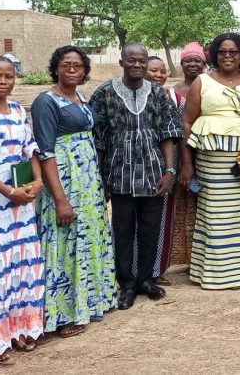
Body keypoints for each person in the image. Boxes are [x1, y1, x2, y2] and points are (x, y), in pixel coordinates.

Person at [32, 47, 116, 339]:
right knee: (66, 243)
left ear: (84, 71)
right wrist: (60, 199)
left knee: (88, 238)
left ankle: (91, 301)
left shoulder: (80, 98)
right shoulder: (46, 101)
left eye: (78, 66)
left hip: (87, 181)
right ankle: (64, 314)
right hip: (65, 182)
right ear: (55, 68)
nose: (72, 70)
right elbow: (44, 151)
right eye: (66, 65)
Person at [90, 43, 181, 310]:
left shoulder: (158, 94)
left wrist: (169, 170)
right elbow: (99, 139)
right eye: (132, 61)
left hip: (153, 172)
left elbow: (167, 134)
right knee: (123, 230)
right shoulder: (105, 93)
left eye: (142, 61)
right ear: (122, 62)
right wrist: (101, 175)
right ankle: (126, 284)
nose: (138, 66)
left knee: (151, 229)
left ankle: (145, 280)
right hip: (119, 174)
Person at [179, 34, 240, 290]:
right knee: (213, 215)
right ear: (214, 55)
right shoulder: (202, 82)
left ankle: (239, 275)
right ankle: (212, 274)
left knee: (239, 216)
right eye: (222, 52)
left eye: (233, 52)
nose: (227, 56)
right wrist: (187, 164)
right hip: (210, 162)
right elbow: (188, 123)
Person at [0, 56, 44, 362]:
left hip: (22, 204)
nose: (3, 81)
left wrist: (37, 180)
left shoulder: (20, 110)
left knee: (22, 266)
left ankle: (20, 328)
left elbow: (30, 149)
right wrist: (8, 191)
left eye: (8, 76)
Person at [169, 42, 207, 267]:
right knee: (181, 201)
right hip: (178, 151)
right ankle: (181, 256)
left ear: (204, 63)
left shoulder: (210, 86)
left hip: (204, 151)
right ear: (181, 63)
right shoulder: (172, 91)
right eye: (188, 60)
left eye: (197, 60)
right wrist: (184, 161)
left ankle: (199, 254)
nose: (192, 64)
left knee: (202, 201)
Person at [142, 56, 175, 285]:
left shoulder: (169, 97)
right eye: (154, 70)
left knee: (159, 219)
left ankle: (156, 269)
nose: (159, 75)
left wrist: (170, 168)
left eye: (163, 71)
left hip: (163, 164)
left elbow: (171, 134)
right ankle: (132, 271)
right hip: (135, 167)